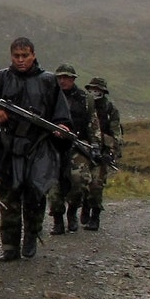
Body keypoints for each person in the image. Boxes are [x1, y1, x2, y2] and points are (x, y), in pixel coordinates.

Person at [0, 38, 73, 260]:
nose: (20, 60)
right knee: (8, 198)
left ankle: (31, 236)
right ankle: (9, 246)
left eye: (25, 55)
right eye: (16, 56)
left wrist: (61, 126)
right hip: (9, 148)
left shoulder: (48, 81)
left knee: (35, 195)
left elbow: (61, 113)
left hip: (39, 148)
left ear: (34, 55)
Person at [48, 65, 97, 237]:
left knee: (79, 182)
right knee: (54, 186)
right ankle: (58, 220)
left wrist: (95, 147)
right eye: (60, 77)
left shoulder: (85, 99)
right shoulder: (49, 97)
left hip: (78, 146)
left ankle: (72, 212)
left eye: (67, 77)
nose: (63, 80)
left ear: (74, 79)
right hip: (53, 146)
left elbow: (93, 124)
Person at [82, 77, 123, 230]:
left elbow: (116, 133)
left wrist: (112, 152)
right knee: (80, 183)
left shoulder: (110, 109)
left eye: (98, 90)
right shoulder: (83, 105)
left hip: (102, 153)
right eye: (92, 90)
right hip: (83, 149)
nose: (95, 93)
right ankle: (85, 204)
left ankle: (95, 216)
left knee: (97, 185)